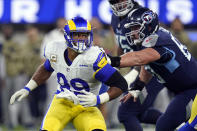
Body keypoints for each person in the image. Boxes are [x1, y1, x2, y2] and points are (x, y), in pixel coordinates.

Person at [9, 16, 128, 131]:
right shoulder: (56, 49)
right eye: (77, 34)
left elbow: (120, 84)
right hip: (62, 102)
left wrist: (98, 99)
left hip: (86, 106)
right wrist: (28, 88)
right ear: (67, 36)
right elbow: (46, 68)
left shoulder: (93, 57)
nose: (81, 38)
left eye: (84, 35)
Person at [107, 7, 197, 131]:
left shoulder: (159, 40)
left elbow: (140, 58)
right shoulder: (153, 37)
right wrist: (138, 86)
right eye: (132, 28)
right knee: (160, 123)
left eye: (136, 28)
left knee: (167, 126)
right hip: (182, 90)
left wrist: (110, 60)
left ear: (149, 26)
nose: (132, 32)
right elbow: (149, 64)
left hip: (192, 90)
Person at [108, 0, 163, 130]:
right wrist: (118, 66)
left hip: (150, 69)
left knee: (126, 113)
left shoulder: (140, 15)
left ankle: (176, 120)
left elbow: (150, 48)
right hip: (137, 67)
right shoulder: (115, 18)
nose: (119, 3)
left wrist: (136, 72)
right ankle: (178, 120)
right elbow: (121, 44)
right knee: (140, 113)